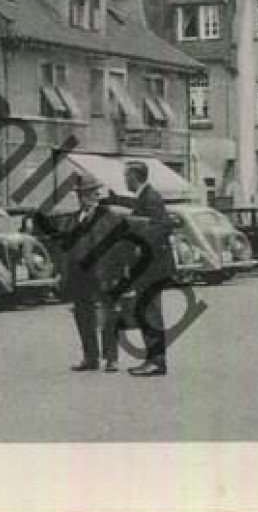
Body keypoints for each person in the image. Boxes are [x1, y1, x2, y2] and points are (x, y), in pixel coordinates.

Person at [107, 160, 173, 377]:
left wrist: (140, 243)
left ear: (135, 176)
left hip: (152, 267)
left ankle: (157, 361)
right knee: (146, 311)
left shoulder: (151, 197)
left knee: (150, 312)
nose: (125, 180)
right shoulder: (145, 196)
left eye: (126, 176)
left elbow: (162, 226)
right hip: (148, 266)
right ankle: (152, 359)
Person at [54, 177, 126, 372]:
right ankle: (90, 358)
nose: (94, 196)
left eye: (95, 192)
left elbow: (120, 246)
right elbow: (64, 248)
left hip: (103, 272)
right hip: (78, 273)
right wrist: (61, 272)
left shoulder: (109, 217)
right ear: (81, 196)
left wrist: (119, 273)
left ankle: (111, 359)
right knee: (82, 314)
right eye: (89, 193)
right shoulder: (72, 219)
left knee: (109, 315)